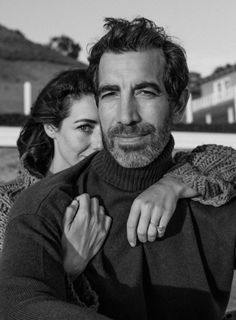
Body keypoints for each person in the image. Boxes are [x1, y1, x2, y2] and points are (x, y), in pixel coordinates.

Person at [1, 17, 236, 320]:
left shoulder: (214, 196)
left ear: (178, 103)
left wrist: (176, 184)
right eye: (111, 93)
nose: (126, 116)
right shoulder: (44, 205)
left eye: (145, 92)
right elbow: (18, 304)